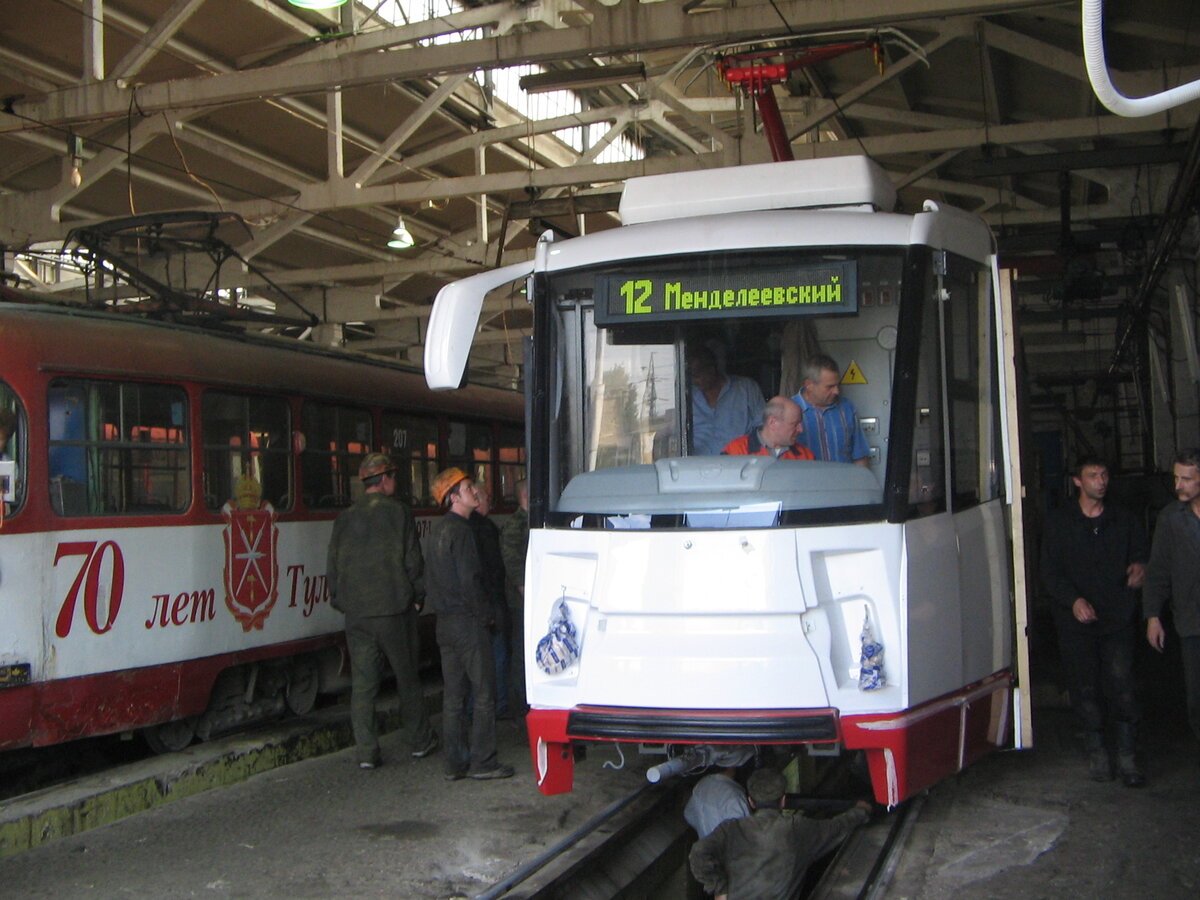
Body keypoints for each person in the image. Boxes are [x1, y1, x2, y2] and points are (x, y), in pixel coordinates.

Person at [1040, 456, 1148, 786]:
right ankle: (1098, 752)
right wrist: (1073, 601)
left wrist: (1140, 567)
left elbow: (1142, 556)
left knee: (1122, 685)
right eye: (1093, 475)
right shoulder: (1059, 523)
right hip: (1077, 624)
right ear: (1077, 481)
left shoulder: (1124, 520)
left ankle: (1128, 757)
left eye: (1104, 474)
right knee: (1085, 688)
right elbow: (1049, 573)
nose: (1100, 481)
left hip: (1117, 617)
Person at [326, 453, 438, 769]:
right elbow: (412, 560)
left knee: (363, 686)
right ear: (385, 479)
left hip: (357, 615)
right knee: (407, 679)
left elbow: (333, 565)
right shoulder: (400, 513)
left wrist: (341, 600)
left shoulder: (344, 517)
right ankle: (420, 741)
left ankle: (366, 752)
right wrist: (417, 596)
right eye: (394, 477)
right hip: (394, 612)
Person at [425, 466, 514, 781]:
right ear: (453, 498)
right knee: (484, 693)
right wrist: (486, 615)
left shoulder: (437, 531)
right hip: (468, 624)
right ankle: (483, 762)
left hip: (445, 625)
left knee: (453, 696)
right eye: (466, 488)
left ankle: (455, 763)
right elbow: (471, 581)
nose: (474, 491)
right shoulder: (463, 531)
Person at [689, 767, 871, 900]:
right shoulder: (797, 829)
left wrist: (719, 887)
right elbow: (838, 827)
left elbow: (698, 853)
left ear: (751, 802)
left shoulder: (729, 829)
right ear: (783, 801)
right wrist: (861, 810)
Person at [1144, 448, 1200, 752]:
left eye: (1187, 479)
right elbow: (1159, 569)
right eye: (1176, 478)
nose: (1178, 485)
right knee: (1196, 700)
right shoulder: (1171, 518)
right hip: (1192, 621)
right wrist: (1153, 615)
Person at [469, 488, 511, 719]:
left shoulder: (462, 527)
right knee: (498, 655)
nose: (491, 504)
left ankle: (472, 707)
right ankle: (499, 705)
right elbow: (495, 567)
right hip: (491, 600)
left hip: (471, 606)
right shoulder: (486, 529)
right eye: (488, 499)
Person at [791, 354, 870, 467]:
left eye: (838, 385)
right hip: (806, 483)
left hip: (844, 483)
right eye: (830, 387)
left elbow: (860, 456)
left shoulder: (847, 408)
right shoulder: (788, 412)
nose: (836, 391)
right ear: (809, 385)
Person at [690, 346, 765, 455]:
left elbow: (764, 428)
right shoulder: (687, 396)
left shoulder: (746, 388)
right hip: (694, 466)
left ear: (711, 370)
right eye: (690, 376)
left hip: (740, 464)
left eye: (696, 376)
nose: (693, 381)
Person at [500, 478, 530, 714]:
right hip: (521, 602)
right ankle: (518, 705)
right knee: (520, 653)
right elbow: (513, 565)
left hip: (528, 599)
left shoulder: (529, 522)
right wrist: (525, 592)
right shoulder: (515, 525)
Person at [721, 396, 814, 460]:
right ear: (772, 422)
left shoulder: (806, 456)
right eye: (794, 424)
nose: (801, 429)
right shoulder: (735, 451)